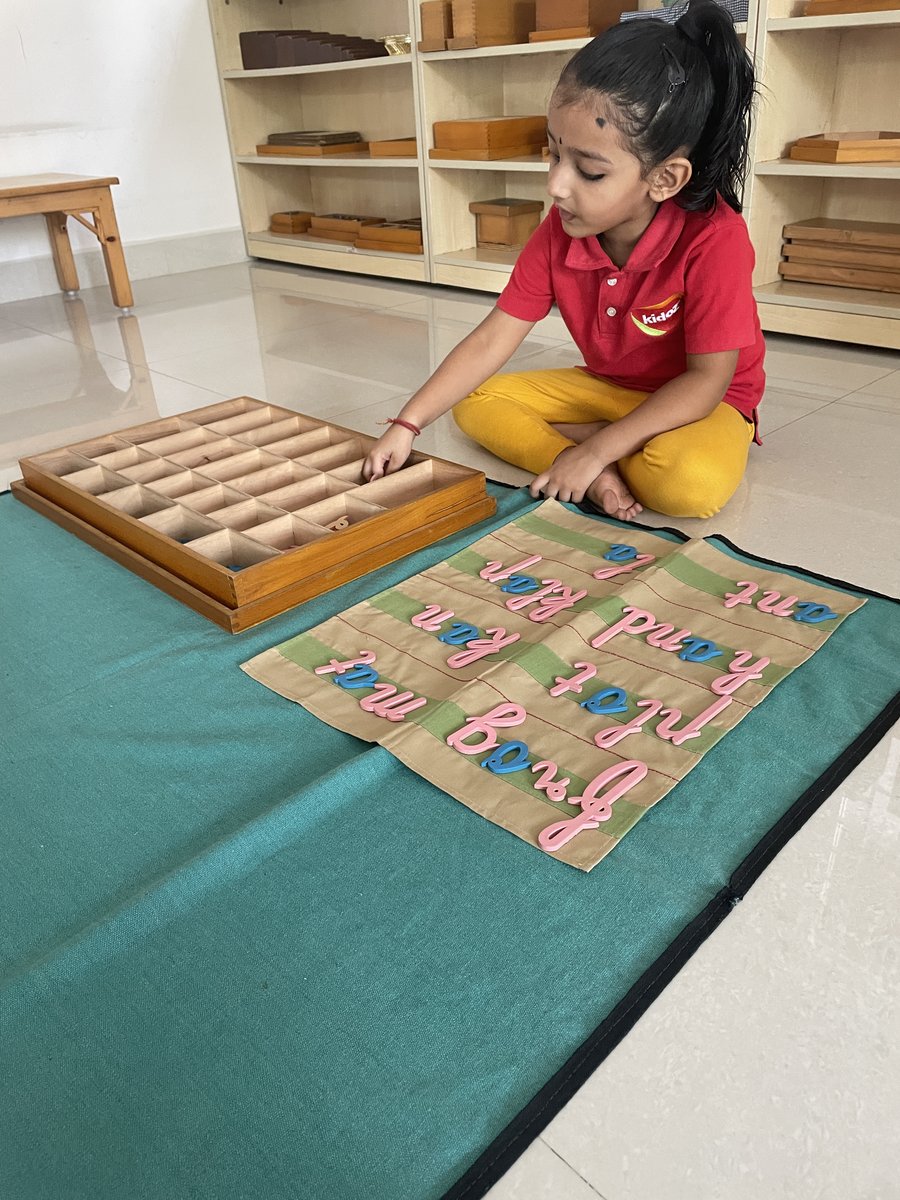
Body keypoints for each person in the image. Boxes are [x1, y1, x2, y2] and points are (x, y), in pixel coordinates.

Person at [362, 0, 764, 521]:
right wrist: (407, 424)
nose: (555, 185)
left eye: (589, 171)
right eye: (553, 153)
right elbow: (491, 339)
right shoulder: (562, 229)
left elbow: (707, 381)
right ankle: (594, 465)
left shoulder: (716, 239)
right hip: (607, 390)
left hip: (702, 402)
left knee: (688, 485)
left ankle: (597, 449)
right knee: (474, 403)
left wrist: (596, 447)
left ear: (665, 178)